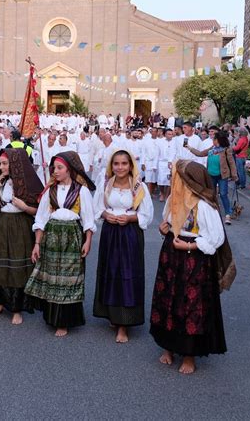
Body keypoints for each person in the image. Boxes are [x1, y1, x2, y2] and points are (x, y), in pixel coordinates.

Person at [150, 160, 235, 374]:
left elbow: (215, 239)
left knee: (190, 304)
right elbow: (169, 223)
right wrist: (164, 230)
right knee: (168, 300)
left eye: (176, 177)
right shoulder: (173, 200)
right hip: (171, 256)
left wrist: (190, 245)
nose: (173, 180)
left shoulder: (204, 205)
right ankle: (168, 347)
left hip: (194, 259)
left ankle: (189, 354)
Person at [24, 151, 96, 337]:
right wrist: (37, 244)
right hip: (52, 236)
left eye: (59, 168)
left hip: (72, 237)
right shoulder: (50, 190)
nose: (55, 171)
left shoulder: (82, 191)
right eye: (54, 168)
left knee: (69, 277)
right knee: (52, 275)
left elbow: (88, 220)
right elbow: (40, 218)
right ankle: (52, 316)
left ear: (69, 170)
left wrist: (88, 241)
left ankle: (65, 321)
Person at [92, 150, 153, 343]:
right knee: (110, 272)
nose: (120, 167)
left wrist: (130, 218)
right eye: (116, 164)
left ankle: (124, 324)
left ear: (130, 166)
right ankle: (112, 314)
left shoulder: (138, 187)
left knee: (127, 274)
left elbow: (147, 214)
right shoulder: (106, 184)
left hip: (130, 234)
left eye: (124, 164)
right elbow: (97, 207)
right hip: (110, 233)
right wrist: (105, 215)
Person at [0, 149, 44, 324]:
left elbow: (40, 211)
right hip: (2, 224)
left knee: (17, 266)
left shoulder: (28, 183)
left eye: (5, 163)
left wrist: (25, 207)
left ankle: (16, 308)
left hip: (20, 226)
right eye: (0, 163)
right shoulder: (3, 181)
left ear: (15, 164)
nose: (1, 166)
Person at [186, 131, 237, 225]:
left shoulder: (226, 150)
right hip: (210, 175)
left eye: (214, 138)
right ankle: (213, 213)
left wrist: (234, 176)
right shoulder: (212, 149)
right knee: (211, 194)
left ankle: (228, 214)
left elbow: (232, 163)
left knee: (223, 194)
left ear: (217, 140)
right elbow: (200, 153)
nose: (212, 140)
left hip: (222, 175)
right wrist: (189, 148)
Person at [157, 128, 176, 201]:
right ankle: (162, 193)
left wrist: (171, 161)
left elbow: (175, 153)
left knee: (169, 181)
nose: (170, 135)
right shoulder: (160, 142)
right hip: (162, 163)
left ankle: (167, 195)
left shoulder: (175, 142)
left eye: (171, 134)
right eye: (168, 134)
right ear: (165, 134)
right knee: (161, 180)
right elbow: (157, 153)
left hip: (171, 163)